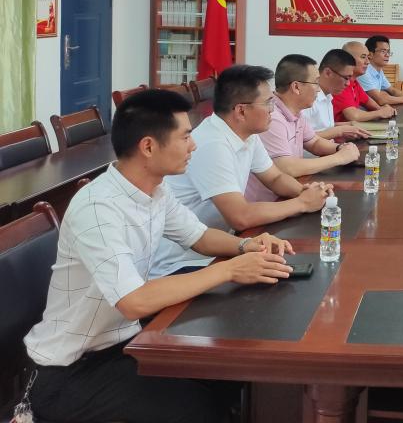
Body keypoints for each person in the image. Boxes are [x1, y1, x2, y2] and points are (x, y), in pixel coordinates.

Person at [23, 89, 294, 423]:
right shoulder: (98, 208)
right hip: (70, 371)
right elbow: (134, 301)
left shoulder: (154, 189)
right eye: (185, 137)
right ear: (149, 147)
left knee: (225, 373)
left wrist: (245, 246)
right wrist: (229, 271)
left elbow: (199, 236)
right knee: (196, 407)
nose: (193, 146)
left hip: (122, 340)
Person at [150, 65, 336, 277]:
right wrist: (302, 204)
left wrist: (306, 193)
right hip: (183, 264)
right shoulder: (212, 144)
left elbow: (274, 177)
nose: (273, 110)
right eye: (268, 103)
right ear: (241, 111)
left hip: (220, 247)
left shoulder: (247, 134)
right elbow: (240, 216)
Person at [252, 54, 362, 200]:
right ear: (296, 87)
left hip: (292, 191)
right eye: (315, 83)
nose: (318, 90)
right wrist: (339, 158)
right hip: (269, 202)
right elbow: (287, 167)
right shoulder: (272, 117)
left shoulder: (296, 112)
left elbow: (314, 142)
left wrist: (340, 148)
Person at [304, 48, 373, 139]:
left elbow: (323, 128)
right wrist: (340, 131)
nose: (348, 83)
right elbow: (301, 138)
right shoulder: (307, 98)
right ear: (328, 73)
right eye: (346, 78)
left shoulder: (328, 95)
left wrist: (348, 125)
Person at [334, 40, 396, 123]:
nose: (368, 62)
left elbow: (368, 102)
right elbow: (353, 116)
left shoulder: (354, 82)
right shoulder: (340, 82)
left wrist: (385, 110)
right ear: (348, 59)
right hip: (337, 130)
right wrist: (380, 113)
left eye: (368, 57)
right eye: (363, 57)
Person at [359, 35, 403, 107]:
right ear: (370, 54)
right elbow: (380, 100)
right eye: (383, 51)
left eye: (388, 52)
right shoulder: (364, 72)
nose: (387, 55)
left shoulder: (378, 70)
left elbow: (392, 91)